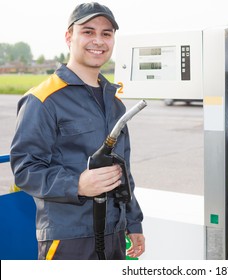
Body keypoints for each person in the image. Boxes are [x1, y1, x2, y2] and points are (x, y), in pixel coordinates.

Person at [10, 2, 145, 260]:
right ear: (69, 37)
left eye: (106, 33)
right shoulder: (42, 99)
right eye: (88, 31)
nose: (98, 40)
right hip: (67, 238)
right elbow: (25, 169)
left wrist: (133, 222)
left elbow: (123, 171)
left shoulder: (115, 103)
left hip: (114, 235)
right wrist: (78, 185)